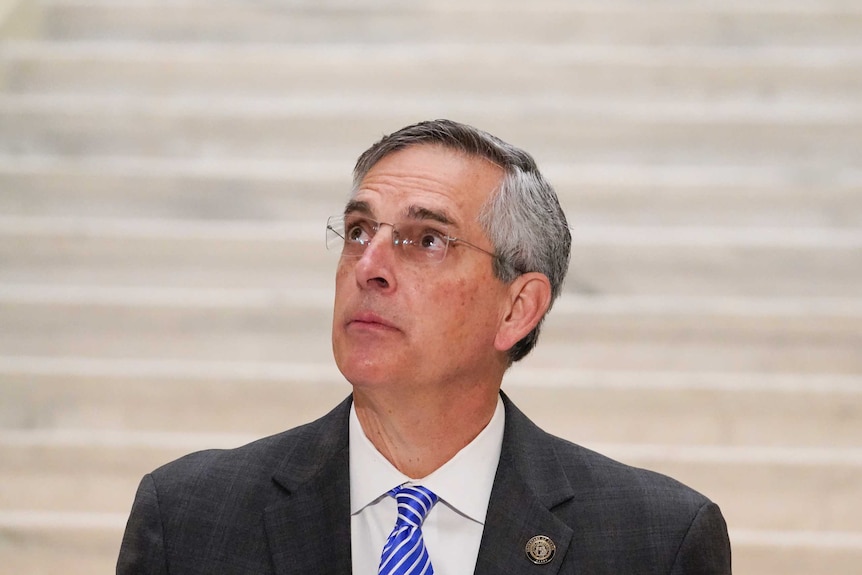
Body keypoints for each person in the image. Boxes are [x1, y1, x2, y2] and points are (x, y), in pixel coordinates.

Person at [117, 119, 732, 574]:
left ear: (517, 308)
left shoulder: (656, 541)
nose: (370, 266)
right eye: (359, 231)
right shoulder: (190, 517)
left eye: (427, 240)